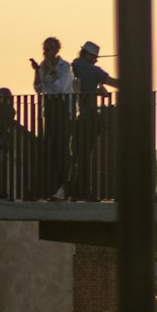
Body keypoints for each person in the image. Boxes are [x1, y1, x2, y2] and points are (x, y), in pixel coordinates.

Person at [69, 42, 118, 200]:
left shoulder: (72, 67)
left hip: (73, 117)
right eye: (95, 57)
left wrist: (96, 91)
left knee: (76, 155)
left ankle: (73, 190)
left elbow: (81, 90)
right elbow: (115, 83)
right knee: (85, 157)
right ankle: (83, 191)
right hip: (89, 118)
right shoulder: (94, 71)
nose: (96, 61)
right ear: (89, 55)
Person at [29, 37, 73, 198]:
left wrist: (50, 70)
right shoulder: (43, 67)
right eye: (44, 49)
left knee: (62, 148)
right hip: (49, 108)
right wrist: (37, 71)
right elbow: (38, 89)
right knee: (50, 148)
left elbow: (61, 87)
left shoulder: (65, 67)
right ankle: (50, 187)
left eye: (48, 49)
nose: (45, 53)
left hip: (62, 109)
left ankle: (64, 186)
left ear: (55, 50)